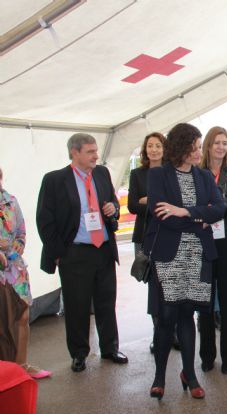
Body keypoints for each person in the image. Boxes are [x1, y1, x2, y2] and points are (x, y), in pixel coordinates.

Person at [145, 123, 225, 400]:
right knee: (166, 316)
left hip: (198, 256)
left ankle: (189, 374)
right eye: (193, 145)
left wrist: (184, 211)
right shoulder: (159, 175)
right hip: (170, 255)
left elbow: (220, 209)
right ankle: (159, 377)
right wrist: (198, 220)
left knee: (188, 314)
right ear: (180, 146)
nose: (197, 150)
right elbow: (160, 214)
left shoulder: (203, 176)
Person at [36, 133, 127, 373]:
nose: (96, 156)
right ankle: (79, 353)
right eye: (90, 152)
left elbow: (113, 205)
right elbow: (45, 221)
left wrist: (113, 208)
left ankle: (110, 348)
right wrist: (59, 254)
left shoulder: (102, 173)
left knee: (106, 302)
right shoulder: (55, 180)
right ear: (74, 153)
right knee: (77, 306)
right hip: (75, 253)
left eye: (96, 151)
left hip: (103, 249)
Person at [198, 126, 227, 374]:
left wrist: (213, 205)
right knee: (204, 300)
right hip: (203, 240)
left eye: (225, 143)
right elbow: (195, 205)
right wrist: (223, 201)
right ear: (208, 145)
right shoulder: (197, 172)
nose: (221, 147)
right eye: (216, 142)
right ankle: (207, 356)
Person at [0, 168, 51, 379]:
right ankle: (5, 371)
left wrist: (20, 242)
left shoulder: (10, 200)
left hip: (15, 269)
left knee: (22, 315)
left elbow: (21, 229)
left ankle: (21, 366)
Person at [128, 132, 170, 354]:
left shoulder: (171, 172)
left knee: (169, 285)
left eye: (158, 146)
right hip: (146, 237)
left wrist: (149, 200)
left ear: (165, 149)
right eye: (150, 146)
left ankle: (171, 334)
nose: (154, 150)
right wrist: (157, 202)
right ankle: (158, 335)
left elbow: (175, 203)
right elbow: (133, 206)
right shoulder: (137, 174)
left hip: (170, 234)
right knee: (153, 287)